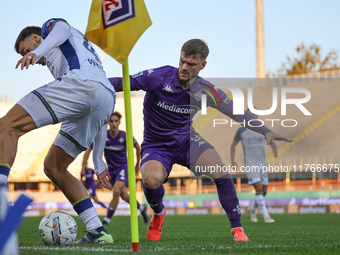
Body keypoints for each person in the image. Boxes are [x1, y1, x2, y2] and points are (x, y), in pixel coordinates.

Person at [108, 39, 292, 242]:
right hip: (156, 144)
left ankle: (238, 230)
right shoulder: (158, 77)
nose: (184, 67)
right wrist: (92, 87)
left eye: (191, 64)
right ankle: (159, 213)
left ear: (202, 65)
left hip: (187, 141)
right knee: (150, 180)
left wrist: (265, 131)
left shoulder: (205, 90)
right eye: (182, 61)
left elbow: (237, 112)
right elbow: (122, 82)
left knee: (221, 172)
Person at [0, 18, 116, 244]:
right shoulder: (74, 56)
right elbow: (99, 109)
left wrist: (38, 50)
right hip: (105, 96)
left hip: (80, 85)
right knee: (54, 167)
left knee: (6, 126)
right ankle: (97, 230)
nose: (31, 58)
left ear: (35, 38)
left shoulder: (49, 30)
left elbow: (62, 27)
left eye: (26, 50)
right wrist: (99, 159)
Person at [82, 111, 149, 225]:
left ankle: (106, 220)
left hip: (123, 168)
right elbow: (89, 149)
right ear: (108, 123)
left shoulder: (125, 135)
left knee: (116, 191)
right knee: (123, 195)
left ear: (119, 122)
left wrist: (137, 165)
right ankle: (141, 207)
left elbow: (137, 147)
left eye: (116, 121)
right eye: (111, 121)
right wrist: (84, 164)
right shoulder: (103, 136)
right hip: (111, 170)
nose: (114, 123)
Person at [231, 109, 277, 223]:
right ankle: (266, 216)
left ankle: (252, 209)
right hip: (250, 163)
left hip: (262, 163)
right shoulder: (241, 130)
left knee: (264, 190)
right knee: (259, 187)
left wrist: (275, 149)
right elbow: (233, 145)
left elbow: (271, 139)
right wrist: (233, 161)